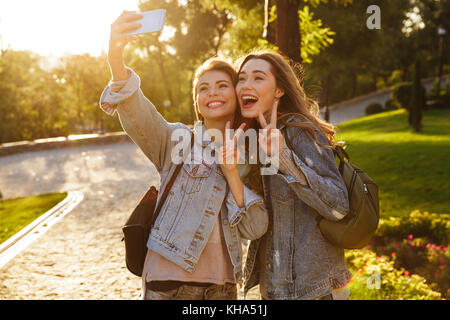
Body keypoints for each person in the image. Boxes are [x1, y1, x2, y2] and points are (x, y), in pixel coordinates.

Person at [99, 11, 268, 300]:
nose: (212, 92)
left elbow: (255, 227)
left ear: (237, 95)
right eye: (203, 88)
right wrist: (116, 61)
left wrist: (231, 172)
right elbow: (138, 112)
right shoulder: (176, 140)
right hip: (169, 282)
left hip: (223, 288)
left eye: (222, 85)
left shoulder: (253, 153)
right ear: (198, 104)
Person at [235, 50, 352, 300]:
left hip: (314, 289)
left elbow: (339, 206)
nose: (246, 85)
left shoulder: (300, 131)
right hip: (277, 289)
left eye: (258, 78)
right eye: (241, 78)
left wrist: (284, 158)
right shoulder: (254, 138)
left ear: (279, 90)